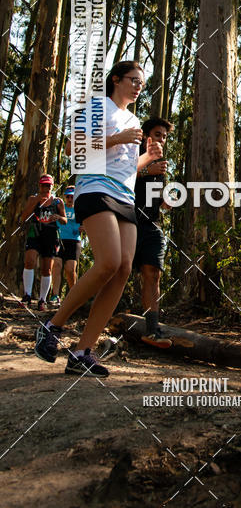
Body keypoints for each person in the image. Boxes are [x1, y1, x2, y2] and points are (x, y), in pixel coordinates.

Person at [34, 60, 162, 377]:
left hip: (125, 195)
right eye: (133, 80)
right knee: (107, 262)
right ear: (116, 79)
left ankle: (82, 352)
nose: (138, 86)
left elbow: (128, 168)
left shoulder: (133, 119)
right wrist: (117, 139)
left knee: (121, 269)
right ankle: (52, 325)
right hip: (95, 187)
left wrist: (149, 157)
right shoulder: (98, 107)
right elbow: (71, 148)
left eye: (141, 83)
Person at [133, 115, 174, 348]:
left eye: (165, 136)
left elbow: (152, 196)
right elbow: (116, 174)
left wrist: (165, 200)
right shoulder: (132, 153)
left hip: (152, 224)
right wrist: (147, 170)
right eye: (157, 134)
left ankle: (152, 330)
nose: (161, 139)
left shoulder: (160, 164)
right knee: (113, 273)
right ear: (146, 136)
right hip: (126, 221)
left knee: (153, 273)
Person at [20, 175, 67, 310]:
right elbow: (23, 217)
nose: (46, 188)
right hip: (35, 232)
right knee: (29, 261)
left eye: (49, 186)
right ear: (39, 186)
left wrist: (58, 217)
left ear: (52, 186)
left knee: (46, 268)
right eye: (44, 185)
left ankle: (42, 300)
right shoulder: (33, 198)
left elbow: (65, 220)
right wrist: (35, 202)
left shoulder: (58, 202)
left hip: (51, 235)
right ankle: (27, 296)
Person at [50, 186, 82, 306]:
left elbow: (87, 224)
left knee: (70, 269)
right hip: (59, 239)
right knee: (57, 265)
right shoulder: (59, 207)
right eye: (68, 196)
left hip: (74, 241)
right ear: (65, 197)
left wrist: (84, 228)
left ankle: (74, 296)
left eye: (72, 196)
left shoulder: (79, 209)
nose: (70, 198)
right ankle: (55, 295)